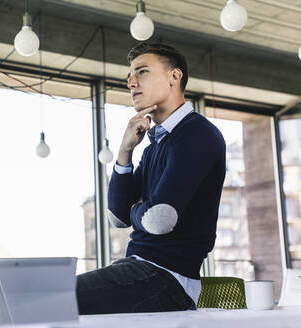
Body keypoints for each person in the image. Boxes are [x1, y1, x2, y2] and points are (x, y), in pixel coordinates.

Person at [76, 43, 226, 314]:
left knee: (55, 298)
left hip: (168, 280)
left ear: (174, 77)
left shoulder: (196, 134)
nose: (131, 83)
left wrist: (140, 208)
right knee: (46, 295)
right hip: (139, 269)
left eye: (142, 72)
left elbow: (160, 219)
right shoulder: (154, 145)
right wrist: (125, 151)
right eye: (129, 78)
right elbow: (117, 217)